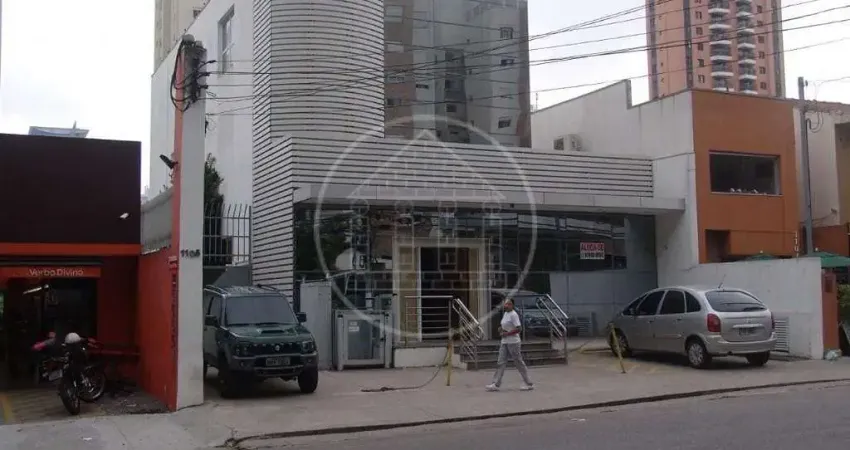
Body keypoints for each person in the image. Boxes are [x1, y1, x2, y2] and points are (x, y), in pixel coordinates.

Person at [486, 298, 534, 391]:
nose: (506, 305)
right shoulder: (505, 314)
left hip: (513, 342)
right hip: (504, 342)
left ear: (512, 305)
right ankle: (496, 383)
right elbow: (505, 325)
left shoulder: (513, 315)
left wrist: (507, 333)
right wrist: (501, 329)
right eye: (505, 304)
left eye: (508, 304)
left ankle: (528, 383)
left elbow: (519, 328)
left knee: (518, 362)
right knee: (501, 362)